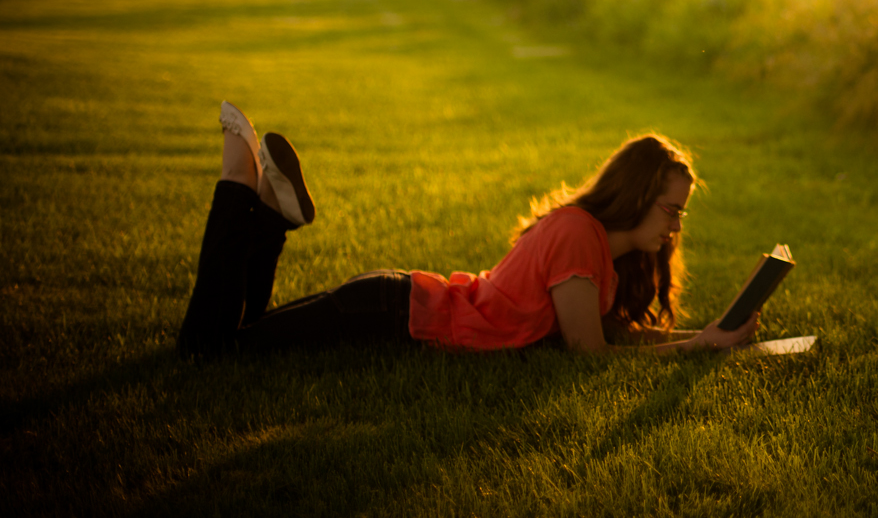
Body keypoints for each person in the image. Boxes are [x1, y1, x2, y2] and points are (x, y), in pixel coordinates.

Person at [176, 103, 760, 355]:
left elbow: (612, 338)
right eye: (671, 209)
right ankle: (237, 180)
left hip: (394, 301)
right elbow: (591, 354)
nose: (677, 225)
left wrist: (702, 338)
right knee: (211, 350)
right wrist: (696, 348)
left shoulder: (602, 252)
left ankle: (273, 216)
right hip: (388, 311)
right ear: (637, 198)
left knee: (244, 336)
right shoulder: (580, 236)